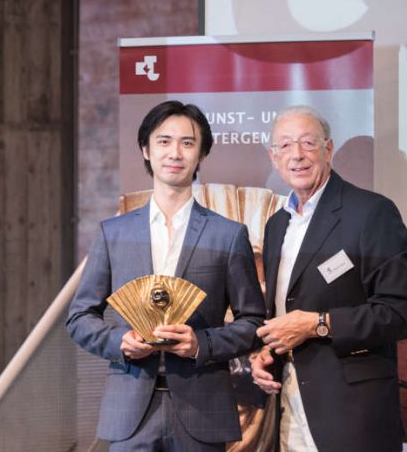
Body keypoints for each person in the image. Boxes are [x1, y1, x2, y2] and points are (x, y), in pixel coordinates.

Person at [66, 100, 266, 451]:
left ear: (201, 154)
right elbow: (80, 317)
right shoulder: (114, 233)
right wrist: (119, 342)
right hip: (131, 411)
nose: (175, 152)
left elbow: (252, 321)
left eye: (188, 143)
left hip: (202, 410)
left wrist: (201, 343)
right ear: (145, 149)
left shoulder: (228, 234)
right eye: (164, 141)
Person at [251, 105, 407, 452]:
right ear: (273, 156)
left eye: (308, 143)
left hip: (353, 416)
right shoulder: (276, 226)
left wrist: (319, 324)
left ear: (328, 149)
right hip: (289, 408)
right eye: (285, 145)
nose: (296, 155)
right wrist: (268, 351)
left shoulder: (371, 212)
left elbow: (401, 312)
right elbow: (285, 313)